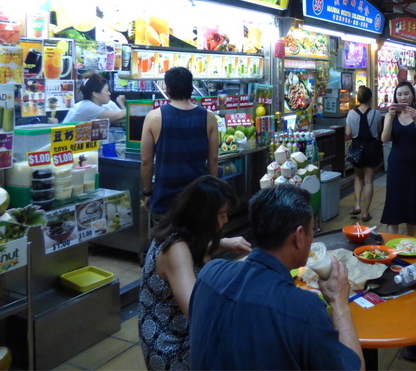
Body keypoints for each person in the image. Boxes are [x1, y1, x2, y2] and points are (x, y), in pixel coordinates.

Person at [189, 184, 364, 370]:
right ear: (298, 236)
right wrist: (339, 302)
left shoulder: (209, 273)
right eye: (312, 230)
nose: (312, 237)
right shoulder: (305, 309)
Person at [138, 176, 251, 371]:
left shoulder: (179, 231)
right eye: (222, 214)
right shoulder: (175, 249)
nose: (226, 219)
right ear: (203, 216)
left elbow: (197, 251)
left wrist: (223, 243)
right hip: (171, 346)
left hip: (177, 330)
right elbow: (197, 311)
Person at [141, 67, 219, 220]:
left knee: (168, 242)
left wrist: (148, 192)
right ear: (191, 88)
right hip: (198, 197)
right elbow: (213, 160)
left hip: (164, 198)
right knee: (198, 242)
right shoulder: (209, 117)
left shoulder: (153, 117)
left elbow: (146, 162)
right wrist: (213, 192)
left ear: (168, 89)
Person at [380, 81, 416, 236]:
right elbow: (384, 139)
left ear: (413, 95)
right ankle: (392, 243)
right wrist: (389, 118)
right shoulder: (391, 115)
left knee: (413, 204)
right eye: (399, 94)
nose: (403, 97)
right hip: (397, 165)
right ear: (395, 96)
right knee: (394, 204)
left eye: (406, 93)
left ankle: (410, 241)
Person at [344, 86, 381, 223]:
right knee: (369, 180)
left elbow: (348, 133)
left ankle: (357, 205)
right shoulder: (376, 114)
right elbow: (379, 131)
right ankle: (366, 213)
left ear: (358, 99)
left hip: (356, 147)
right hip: (372, 147)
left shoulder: (351, 114)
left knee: (358, 177)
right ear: (370, 98)